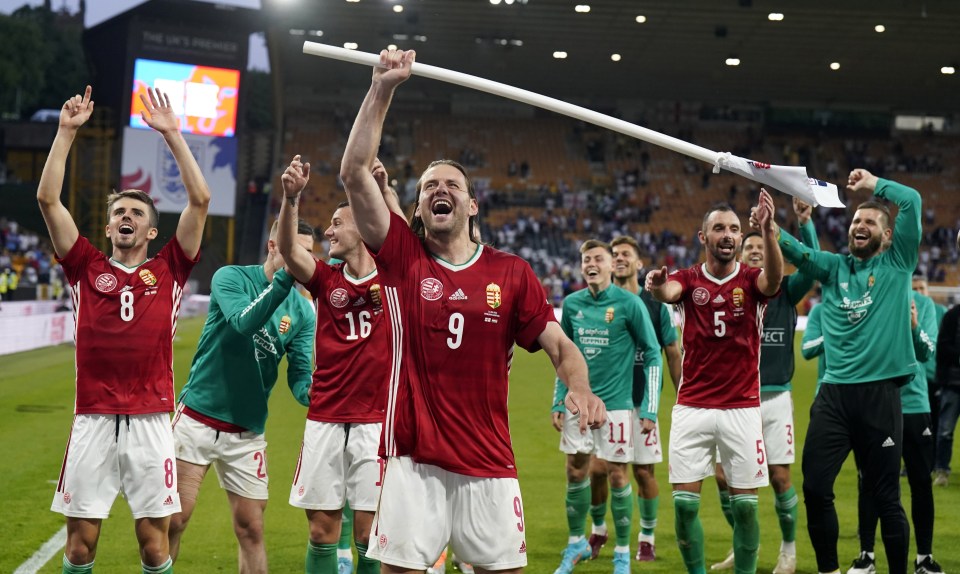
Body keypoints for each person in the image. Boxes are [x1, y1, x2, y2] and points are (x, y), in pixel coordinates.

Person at [335, 47, 606, 573]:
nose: (440, 190)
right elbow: (353, 172)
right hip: (414, 458)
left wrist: (579, 385)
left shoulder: (511, 272)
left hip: (489, 461)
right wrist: (382, 88)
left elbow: (559, 344)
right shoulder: (403, 258)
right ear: (416, 209)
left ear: (471, 204)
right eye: (429, 187)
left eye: (451, 185)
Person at [40, 86, 210, 574]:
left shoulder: (172, 269)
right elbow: (48, 199)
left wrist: (174, 135)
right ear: (109, 228)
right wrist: (65, 132)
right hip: (92, 418)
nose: (126, 217)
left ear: (152, 230)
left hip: (152, 420)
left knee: (155, 547)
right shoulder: (84, 267)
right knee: (79, 547)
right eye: (119, 213)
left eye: (137, 213)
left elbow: (199, 199)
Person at [772, 169, 917, 574]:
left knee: (886, 495)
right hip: (833, 396)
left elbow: (913, 202)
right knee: (816, 487)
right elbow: (800, 255)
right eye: (856, 221)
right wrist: (771, 229)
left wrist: (875, 185)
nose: (860, 226)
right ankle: (829, 570)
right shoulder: (834, 268)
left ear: (887, 236)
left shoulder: (898, 263)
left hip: (880, 397)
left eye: (870, 221)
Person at [167, 217, 317, 572]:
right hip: (197, 418)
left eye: (308, 254)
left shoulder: (303, 311)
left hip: (247, 432)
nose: (303, 261)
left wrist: (319, 394)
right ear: (273, 246)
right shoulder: (231, 277)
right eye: (295, 251)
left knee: (251, 528)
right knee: (175, 519)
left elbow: (298, 376)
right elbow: (244, 322)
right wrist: (284, 282)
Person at [645, 190, 783, 574]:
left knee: (745, 507)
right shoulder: (687, 280)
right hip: (692, 406)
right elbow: (666, 290)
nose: (728, 234)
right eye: (719, 228)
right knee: (685, 506)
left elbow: (774, 281)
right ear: (703, 237)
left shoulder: (752, 279)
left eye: (735, 229)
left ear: (741, 238)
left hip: (741, 408)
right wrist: (656, 285)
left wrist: (768, 229)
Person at [280, 156, 402, 574]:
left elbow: (411, 244)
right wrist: (290, 199)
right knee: (320, 532)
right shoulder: (326, 279)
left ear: (363, 229)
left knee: (369, 535)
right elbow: (287, 250)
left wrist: (386, 195)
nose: (328, 231)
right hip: (326, 418)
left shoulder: (395, 279)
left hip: (376, 422)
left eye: (337, 223)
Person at [711, 197, 819, 574]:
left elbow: (812, 261)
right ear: (740, 253)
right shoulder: (731, 291)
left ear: (771, 248)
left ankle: (788, 550)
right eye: (750, 247)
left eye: (761, 246)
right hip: (734, 399)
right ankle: (743, 546)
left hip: (774, 398)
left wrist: (804, 224)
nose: (755, 251)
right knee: (726, 478)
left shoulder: (786, 290)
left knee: (778, 477)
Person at [549, 239, 663, 574]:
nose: (591, 265)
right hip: (576, 403)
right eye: (585, 260)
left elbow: (653, 352)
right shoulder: (571, 304)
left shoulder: (630, 304)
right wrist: (558, 398)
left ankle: (622, 555)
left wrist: (650, 409)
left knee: (616, 474)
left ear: (612, 265)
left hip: (616, 405)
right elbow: (562, 356)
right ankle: (575, 545)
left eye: (598, 258)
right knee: (575, 470)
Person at [582, 235, 682, 563]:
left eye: (626, 254)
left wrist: (682, 395)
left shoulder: (654, 306)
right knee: (597, 470)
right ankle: (598, 530)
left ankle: (647, 538)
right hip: (607, 403)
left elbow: (670, 350)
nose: (619, 258)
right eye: (615, 254)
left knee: (642, 473)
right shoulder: (600, 304)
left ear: (639, 264)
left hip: (640, 401)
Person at [846, 291, 943, 574]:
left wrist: (913, 324)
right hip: (876, 404)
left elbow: (926, 351)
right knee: (869, 482)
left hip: (914, 405)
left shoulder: (923, 304)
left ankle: (924, 558)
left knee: (921, 483)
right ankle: (867, 556)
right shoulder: (867, 298)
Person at [934, 300, 960, 487]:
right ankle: (942, 470)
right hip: (952, 383)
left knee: (945, 430)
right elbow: (942, 347)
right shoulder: (952, 316)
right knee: (945, 430)